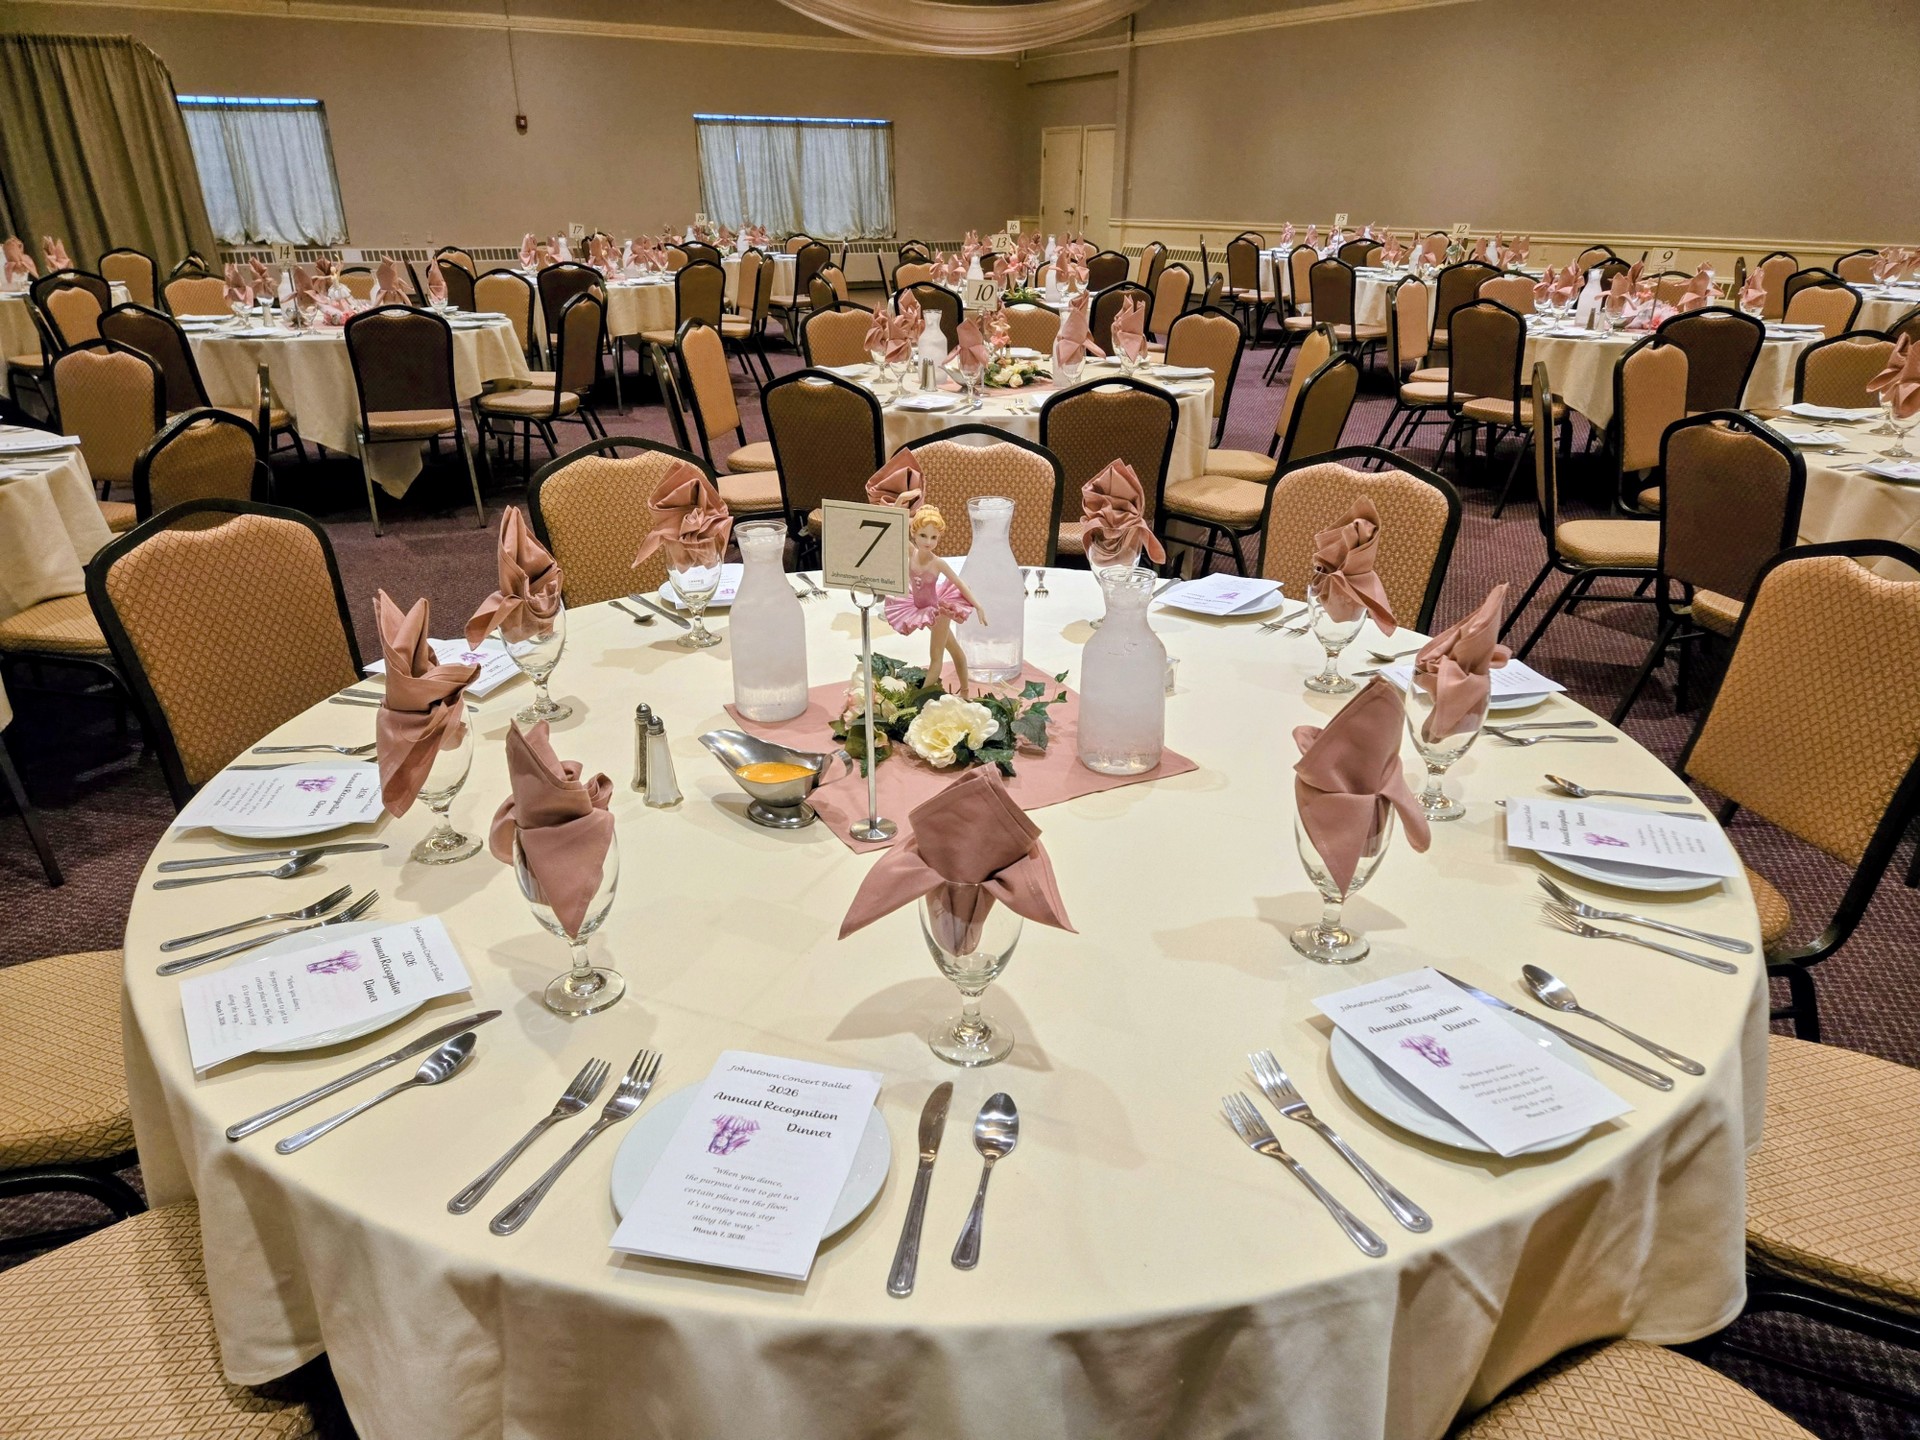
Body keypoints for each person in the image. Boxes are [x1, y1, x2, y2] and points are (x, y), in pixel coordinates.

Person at [884, 506, 986, 697]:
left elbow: (959, 583)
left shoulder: (938, 563)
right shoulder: (912, 552)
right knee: (954, 649)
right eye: (923, 535)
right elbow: (893, 526)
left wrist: (978, 605)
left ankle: (919, 698)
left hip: (936, 612)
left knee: (936, 657)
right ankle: (965, 691)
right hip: (917, 607)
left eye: (934, 537)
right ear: (914, 533)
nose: (928, 542)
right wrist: (900, 503)